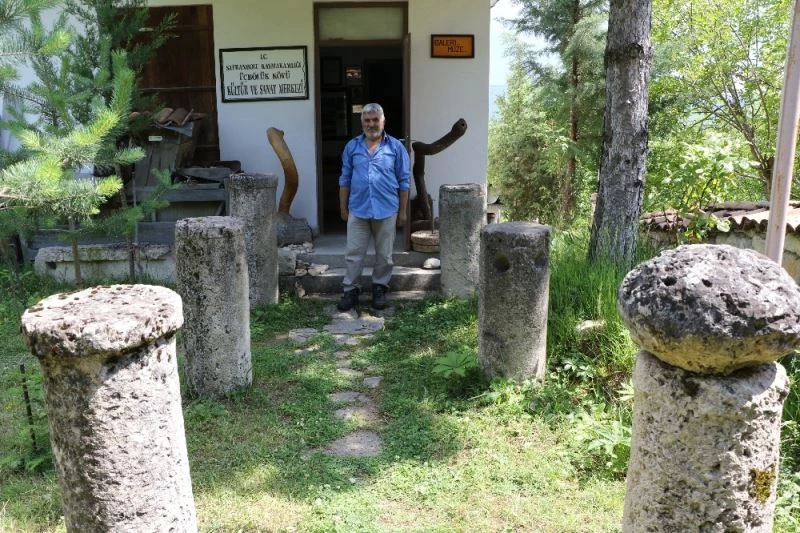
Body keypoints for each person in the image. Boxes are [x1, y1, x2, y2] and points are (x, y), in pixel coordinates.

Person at [337, 102, 410, 311]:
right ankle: (350, 291)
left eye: (375, 119)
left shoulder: (396, 147)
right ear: (362, 122)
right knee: (353, 253)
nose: (371, 124)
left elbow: (404, 181)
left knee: (384, 255)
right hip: (358, 209)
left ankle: (379, 288)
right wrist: (343, 207)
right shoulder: (352, 147)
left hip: (387, 209)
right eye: (367, 120)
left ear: (383, 121)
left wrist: (403, 211)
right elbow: (345, 179)